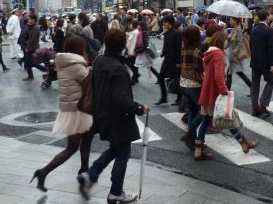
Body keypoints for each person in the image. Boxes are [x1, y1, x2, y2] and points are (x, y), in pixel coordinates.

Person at [77, 29, 149, 203]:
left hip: (102, 114)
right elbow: (121, 99)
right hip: (118, 118)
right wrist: (139, 108)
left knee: (114, 150)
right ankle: (116, 191)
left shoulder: (99, 61)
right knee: (123, 153)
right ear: (122, 46)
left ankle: (90, 175)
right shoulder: (117, 68)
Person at [33, 35, 94, 192]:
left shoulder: (64, 62)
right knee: (73, 147)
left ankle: (84, 173)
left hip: (72, 109)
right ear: (80, 49)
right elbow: (89, 81)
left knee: (86, 140)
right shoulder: (76, 65)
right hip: (78, 111)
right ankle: (43, 172)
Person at [194, 24, 259, 161]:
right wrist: (224, 91)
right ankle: (243, 143)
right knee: (227, 118)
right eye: (225, 40)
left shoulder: (210, 52)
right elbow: (218, 75)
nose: (227, 42)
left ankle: (198, 150)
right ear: (220, 41)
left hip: (208, 91)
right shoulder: (218, 53)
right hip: (215, 92)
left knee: (207, 120)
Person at [179, 26, 205, 152]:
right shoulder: (196, 51)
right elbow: (200, 69)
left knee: (193, 110)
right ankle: (190, 134)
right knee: (203, 111)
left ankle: (192, 140)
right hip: (195, 85)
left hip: (183, 83)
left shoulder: (183, 49)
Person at [249, 9, 273, 118]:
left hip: (255, 61)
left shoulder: (254, 29)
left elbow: (251, 45)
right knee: (270, 82)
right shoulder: (268, 30)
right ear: (267, 17)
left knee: (255, 85)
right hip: (265, 62)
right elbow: (270, 49)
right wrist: (272, 64)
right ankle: (263, 103)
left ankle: (255, 109)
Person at [154, 15, 181, 106]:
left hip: (174, 61)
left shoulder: (176, 33)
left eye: (164, 23)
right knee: (161, 77)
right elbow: (166, 46)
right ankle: (164, 97)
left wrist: (178, 62)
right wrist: (163, 52)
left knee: (176, 79)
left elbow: (178, 48)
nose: (163, 24)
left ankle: (179, 98)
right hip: (167, 59)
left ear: (169, 23)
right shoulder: (167, 32)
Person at [226, 17, 252, 90]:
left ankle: (252, 86)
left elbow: (240, 44)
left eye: (231, 20)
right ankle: (227, 91)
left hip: (236, 56)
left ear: (235, 21)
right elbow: (230, 41)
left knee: (238, 73)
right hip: (232, 56)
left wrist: (234, 52)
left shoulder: (239, 30)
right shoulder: (233, 29)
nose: (230, 21)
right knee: (230, 74)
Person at [21, 14, 45, 81]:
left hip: (33, 48)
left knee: (33, 63)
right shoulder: (32, 27)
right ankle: (30, 76)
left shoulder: (36, 28)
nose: (28, 20)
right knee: (28, 62)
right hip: (30, 47)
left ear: (33, 20)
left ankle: (46, 70)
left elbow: (33, 40)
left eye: (29, 19)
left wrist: (28, 48)